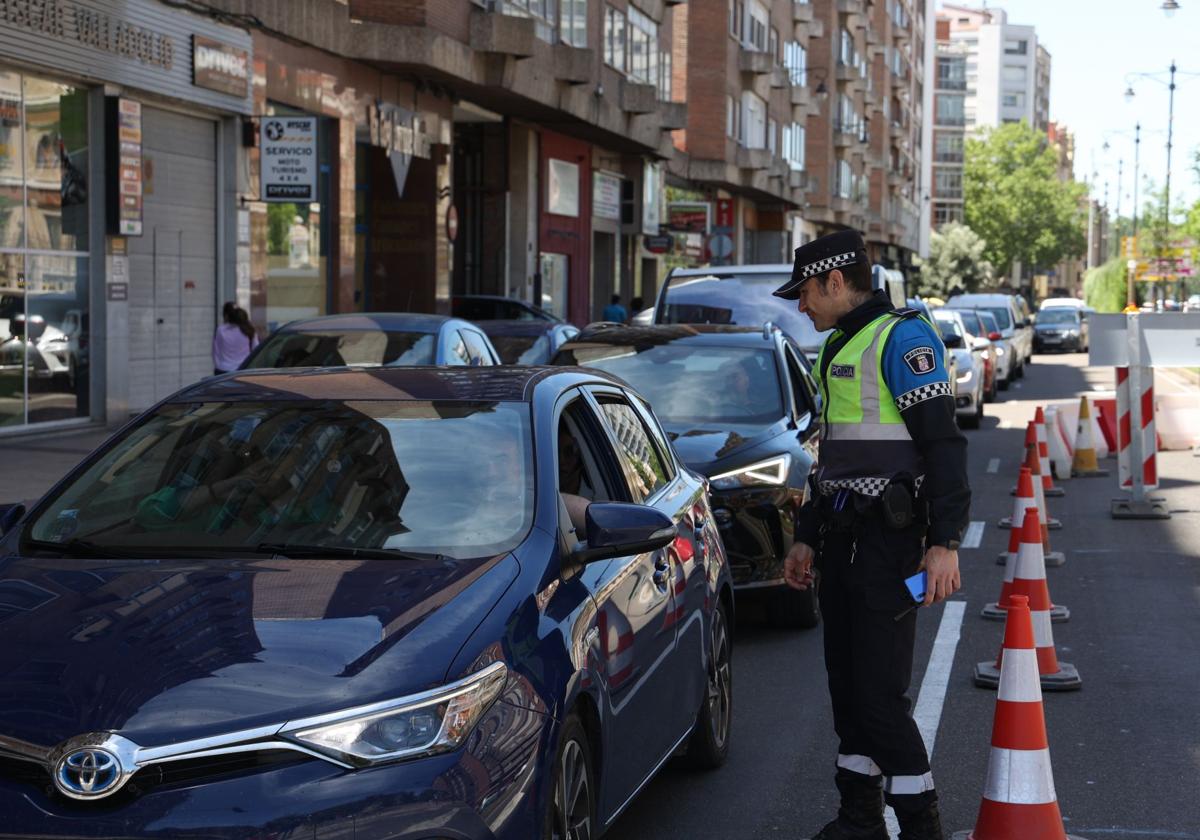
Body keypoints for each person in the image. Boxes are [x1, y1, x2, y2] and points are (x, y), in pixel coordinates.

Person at [773, 230, 969, 840]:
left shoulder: (903, 338)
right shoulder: (839, 347)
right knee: (849, 690)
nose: (800, 306)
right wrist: (805, 535)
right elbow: (826, 457)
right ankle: (859, 818)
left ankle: (920, 825)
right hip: (841, 540)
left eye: (804, 292)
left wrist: (945, 542)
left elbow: (942, 443)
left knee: (880, 696)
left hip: (888, 545)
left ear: (835, 281)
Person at [212, 302, 260, 375]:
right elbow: (256, 350)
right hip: (242, 370)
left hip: (222, 370)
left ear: (228, 316)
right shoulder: (249, 330)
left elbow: (215, 351)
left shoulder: (220, 330)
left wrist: (218, 364)